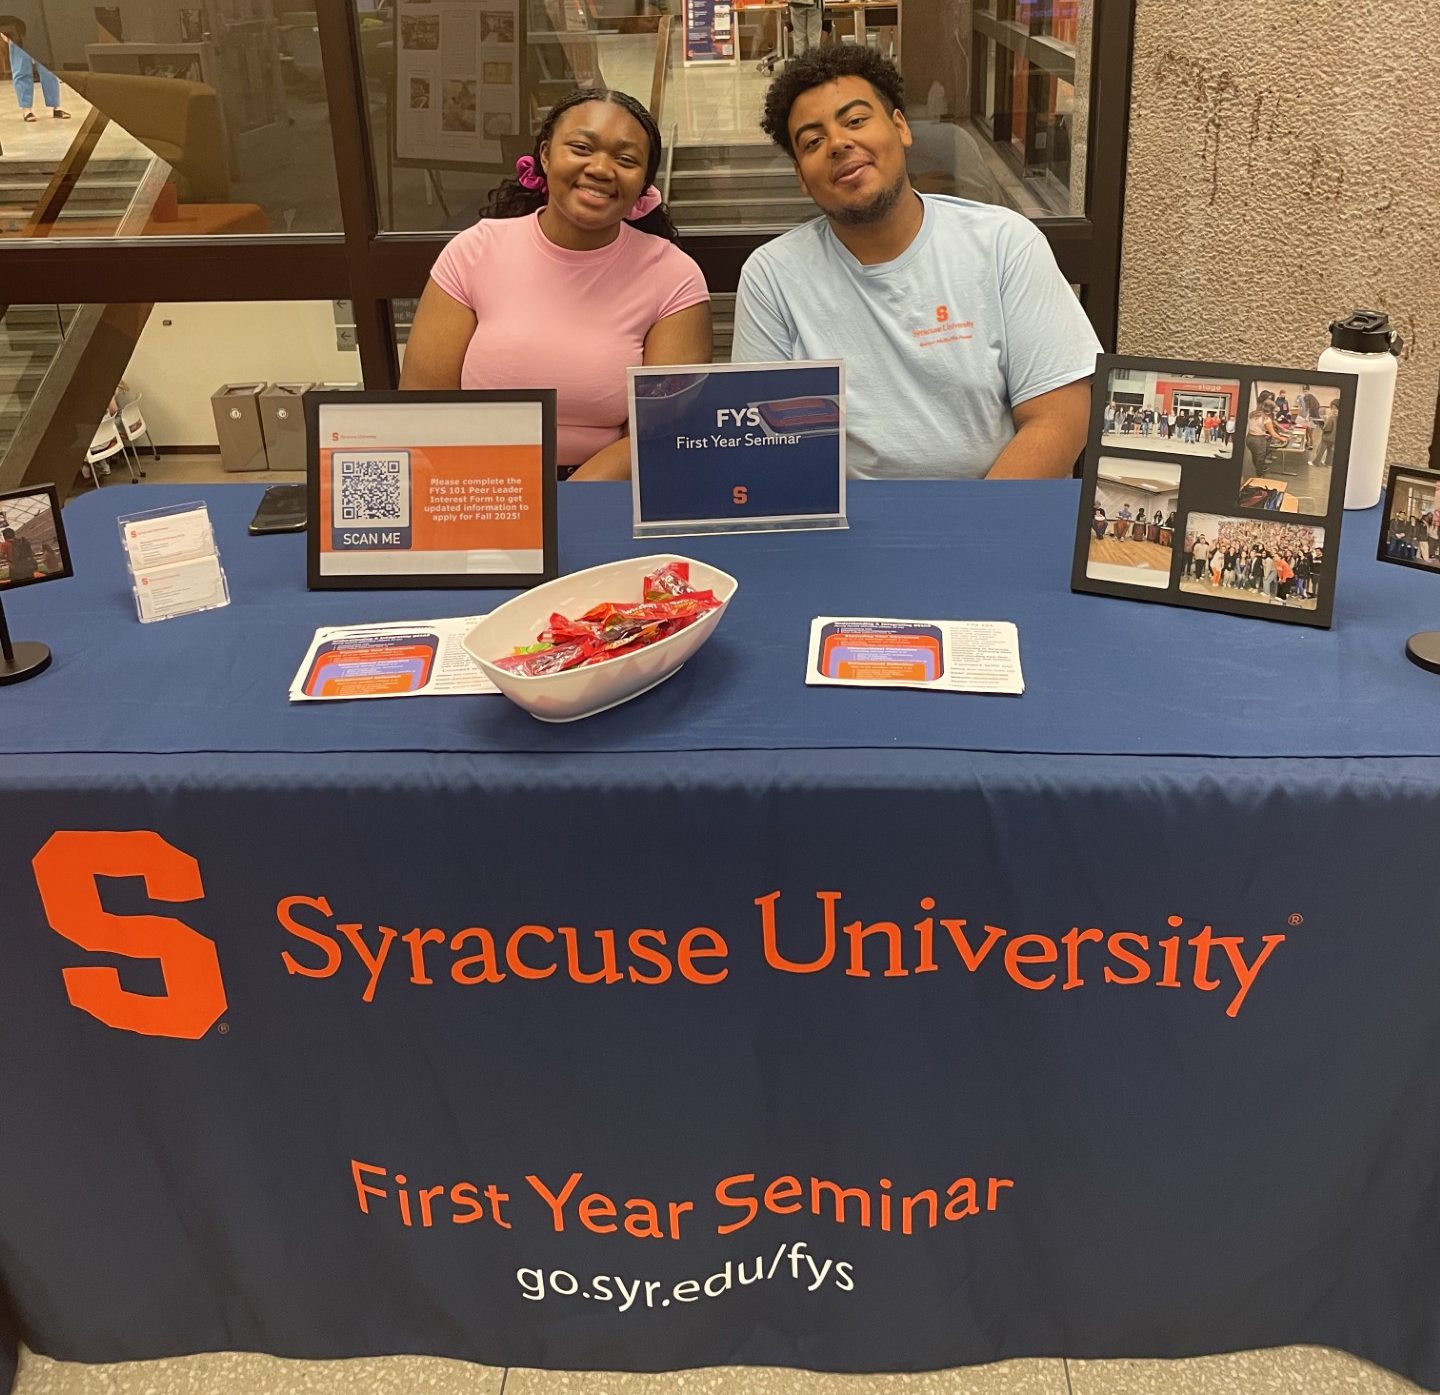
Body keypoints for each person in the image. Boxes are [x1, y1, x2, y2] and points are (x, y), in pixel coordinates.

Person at [731, 46, 1099, 479]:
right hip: (846, 528)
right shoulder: (772, 276)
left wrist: (972, 533)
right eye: (813, 141)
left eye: (855, 121)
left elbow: (1060, 416)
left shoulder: (1003, 243)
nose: (839, 143)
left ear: (900, 127)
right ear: (801, 178)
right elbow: (765, 441)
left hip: (991, 514)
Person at [400, 87, 711, 480]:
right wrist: (502, 496)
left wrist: (565, 503)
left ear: (643, 183)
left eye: (626, 159)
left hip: (606, 493)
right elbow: (424, 407)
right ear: (545, 155)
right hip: (477, 484)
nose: (600, 168)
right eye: (581, 148)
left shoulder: (673, 277)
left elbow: (659, 432)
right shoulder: (474, 251)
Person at [0, 17, 69, 121]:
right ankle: (26, 110)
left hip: (39, 30)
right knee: (21, 70)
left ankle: (56, 107)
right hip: (17, 32)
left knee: (48, 71)